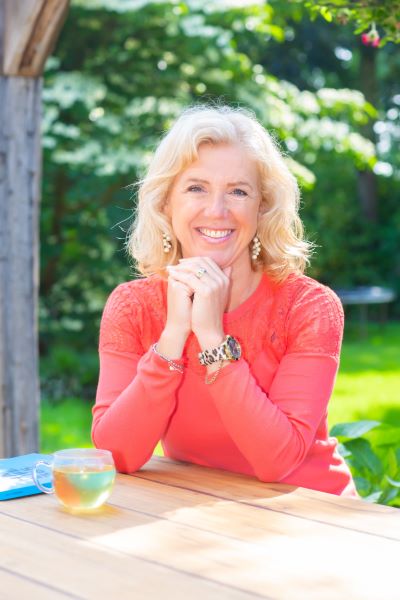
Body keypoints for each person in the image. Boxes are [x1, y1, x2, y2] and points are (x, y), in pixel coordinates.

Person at [92, 104, 358, 498]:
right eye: (196, 188)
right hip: (206, 513)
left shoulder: (308, 307)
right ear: (165, 202)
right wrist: (174, 336)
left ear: (262, 206)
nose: (217, 211)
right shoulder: (133, 307)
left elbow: (277, 461)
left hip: (313, 512)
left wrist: (212, 339)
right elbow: (117, 454)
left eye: (238, 191)